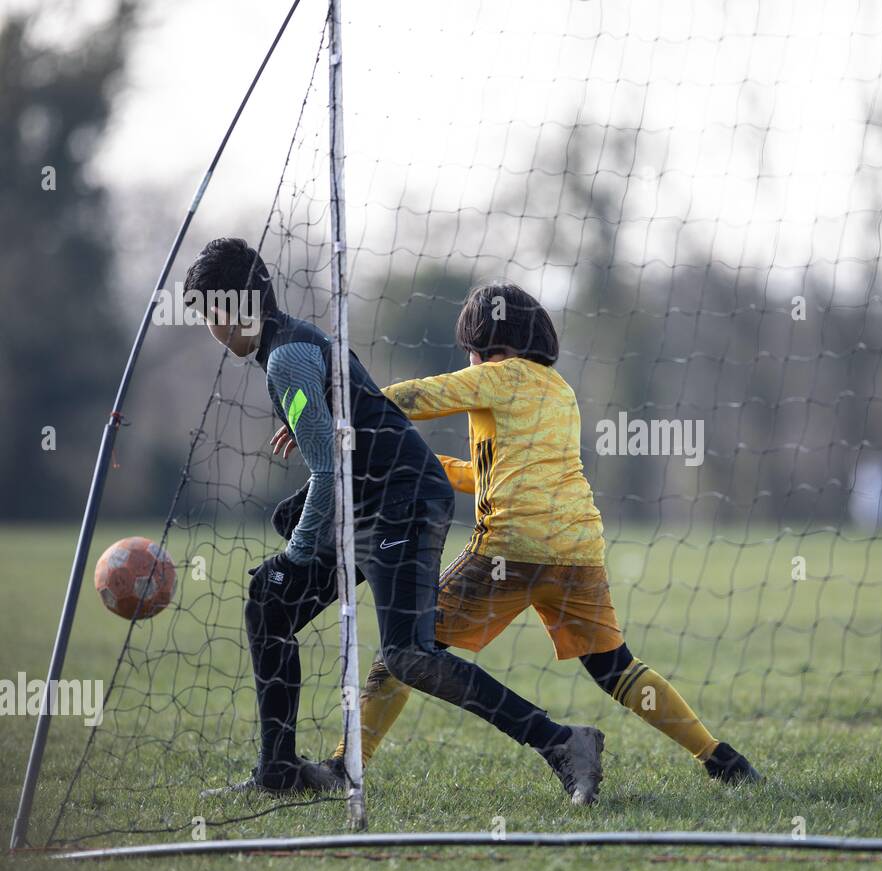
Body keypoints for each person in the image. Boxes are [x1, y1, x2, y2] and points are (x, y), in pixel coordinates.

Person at [276, 282, 760, 789]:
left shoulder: (496, 376)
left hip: (509, 548)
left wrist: (336, 409)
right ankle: (720, 759)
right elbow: (503, 475)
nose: (469, 360)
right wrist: (435, 467)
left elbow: (417, 396)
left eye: (470, 349)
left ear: (485, 346)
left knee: (403, 654)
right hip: (577, 552)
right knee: (616, 668)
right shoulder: (559, 390)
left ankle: (344, 764)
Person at [185, 239, 604, 803]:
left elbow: (330, 468)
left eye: (206, 314)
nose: (208, 329)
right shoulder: (300, 341)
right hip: (369, 504)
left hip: (402, 502)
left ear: (227, 310)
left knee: (408, 654)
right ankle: (278, 772)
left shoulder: (286, 358)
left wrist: (297, 554)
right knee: (269, 601)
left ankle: (562, 742)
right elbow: (340, 444)